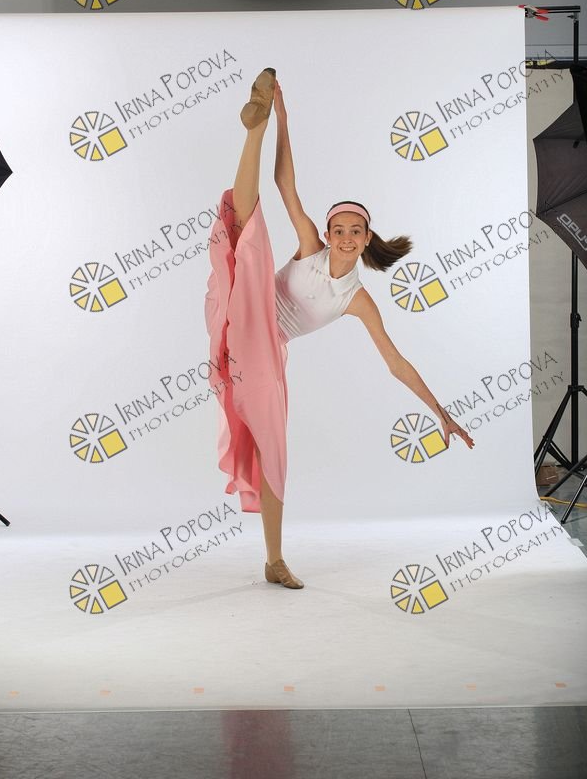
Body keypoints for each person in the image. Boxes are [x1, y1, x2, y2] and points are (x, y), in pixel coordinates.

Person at [204, 69, 475, 590]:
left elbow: (396, 363)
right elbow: (285, 185)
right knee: (248, 229)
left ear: (367, 237)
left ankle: (273, 559)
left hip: (262, 351)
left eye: (355, 231)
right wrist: (281, 117)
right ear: (327, 234)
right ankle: (254, 130)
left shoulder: (357, 300)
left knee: (273, 451)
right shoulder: (310, 247)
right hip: (247, 306)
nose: (346, 237)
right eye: (339, 230)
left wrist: (440, 413)